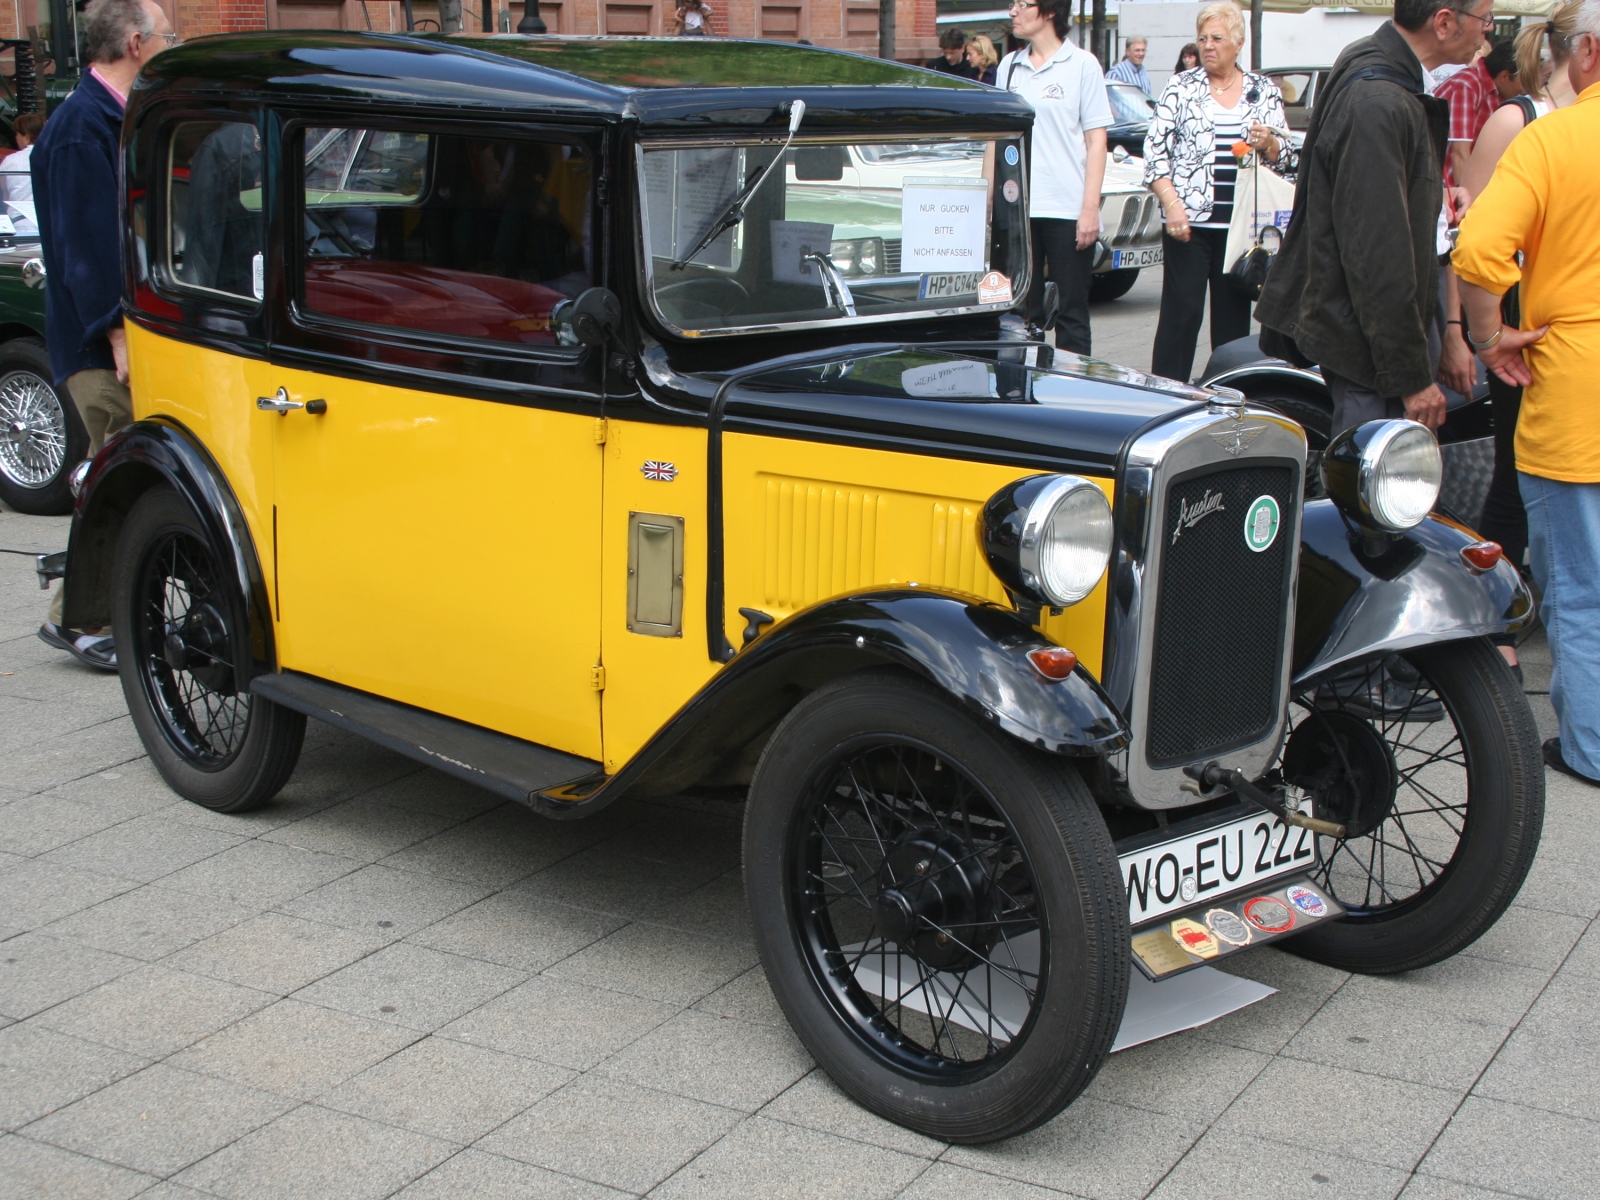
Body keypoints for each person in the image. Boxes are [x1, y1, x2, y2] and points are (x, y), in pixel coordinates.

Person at [1455, 0, 1600, 785]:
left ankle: (1591, 747)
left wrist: (1488, 336)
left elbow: (1478, 248)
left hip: (1574, 384)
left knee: (1581, 587)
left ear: (1586, 57)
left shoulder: (1556, 138)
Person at [1255, 0, 1493, 440]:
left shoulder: (1381, 74)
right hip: (1367, 349)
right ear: (1443, 22)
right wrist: (1411, 377)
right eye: (1486, 20)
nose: (1488, 35)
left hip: (1372, 341)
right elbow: (1378, 255)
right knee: (1379, 488)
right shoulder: (1378, 101)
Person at [33, 0, 176, 670]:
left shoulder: (113, 118)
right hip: (99, 343)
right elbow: (85, 246)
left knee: (116, 466)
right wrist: (114, 333)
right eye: (167, 32)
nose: (172, 41)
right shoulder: (79, 127)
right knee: (115, 468)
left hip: (118, 331)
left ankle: (84, 611)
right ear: (137, 43)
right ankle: (81, 620)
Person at [1145, 2, 1293, 383]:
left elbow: (1288, 157)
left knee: (1232, 326)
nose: (1208, 46)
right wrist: (1171, 204)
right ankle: (1164, 394)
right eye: (1203, 38)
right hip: (1188, 225)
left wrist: (1270, 145)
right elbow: (1154, 153)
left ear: (1238, 42)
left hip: (1241, 228)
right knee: (1181, 315)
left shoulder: (1262, 91)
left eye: (1217, 38)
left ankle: (1231, 398)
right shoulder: (1181, 86)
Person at [997, 0, 1112, 355]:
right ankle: (1017, 393)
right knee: (1017, 314)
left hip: (1066, 208)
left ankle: (1075, 399)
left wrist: (1089, 209)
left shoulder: (1082, 65)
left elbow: (1096, 141)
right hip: (1018, 210)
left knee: (1071, 312)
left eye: (1022, 3)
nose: (1013, 11)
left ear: (1048, 11)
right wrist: (990, 201)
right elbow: (997, 137)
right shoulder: (1009, 66)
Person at [1437, 38, 1520, 187]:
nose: (1526, 89)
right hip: (1443, 186)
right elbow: (1459, 153)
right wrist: (1467, 204)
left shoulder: (1498, 93)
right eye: (1525, 81)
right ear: (1505, 77)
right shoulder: (1468, 84)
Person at [0, 111, 44, 236]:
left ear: (26, 137)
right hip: (47, 222)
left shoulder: (10, 161)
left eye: (17, 134)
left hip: (18, 223)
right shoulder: (53, 158)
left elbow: (4, 195)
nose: (16, 138)